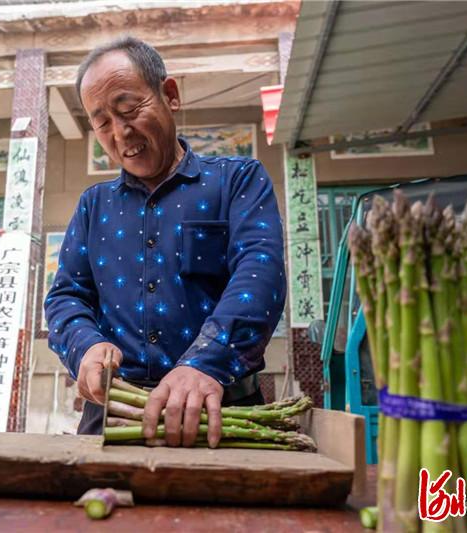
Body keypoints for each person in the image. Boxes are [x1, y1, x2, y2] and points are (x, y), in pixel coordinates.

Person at [44, 36, 286, 448]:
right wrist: (86, 346)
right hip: (116, 418)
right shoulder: (93, 206)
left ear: (169, 95)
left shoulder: (238, 180)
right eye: (102, 122)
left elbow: (260, 274)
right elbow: (66, 296)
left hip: (222, 414)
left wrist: (203, 364)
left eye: (129, 109)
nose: (121, 132)